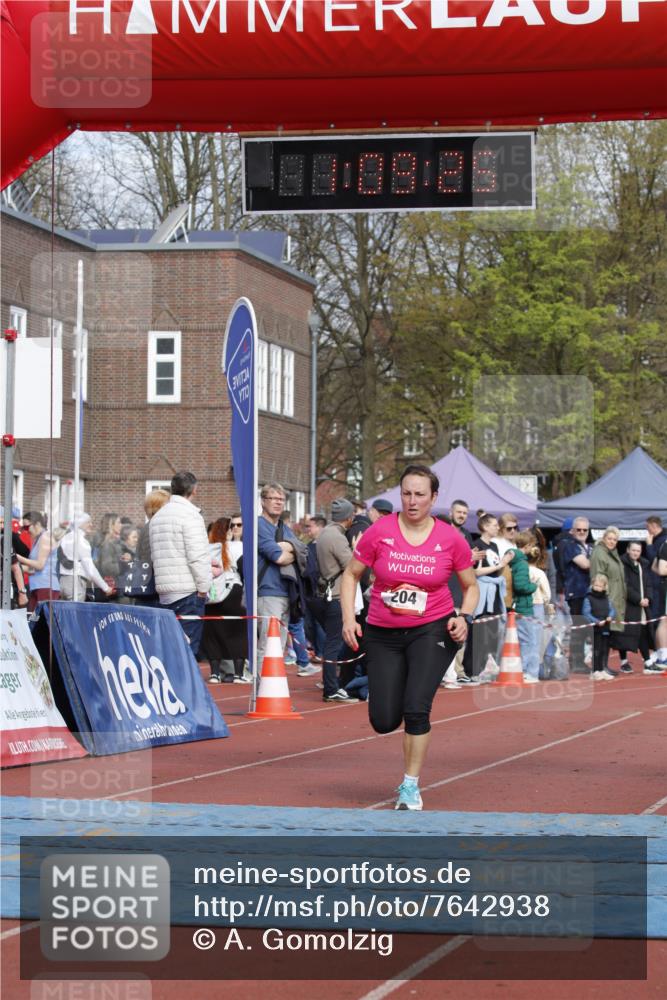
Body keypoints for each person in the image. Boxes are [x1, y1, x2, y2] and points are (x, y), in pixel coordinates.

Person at [340, 464, 478, 811]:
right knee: (383, 720)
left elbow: (470, 586)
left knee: (417, 707)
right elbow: (351, 575)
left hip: (432, 628)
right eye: (406, 493)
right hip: (383, 631)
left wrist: (465, 616)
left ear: (433, 498)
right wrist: (347, 619)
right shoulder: (379, 532)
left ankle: (410, 786)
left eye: (420, 494)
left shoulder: (450, 538)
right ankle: (399, 691)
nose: (412, 501)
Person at [150, 470, 212, 658]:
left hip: (165, 591)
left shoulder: (158, 517)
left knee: (169, 649)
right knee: (187, 651)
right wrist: (204, 588)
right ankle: (186, 687)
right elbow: (197, 556)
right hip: (187, 591)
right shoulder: (191, 516)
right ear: (194, 490)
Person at [310, 498, 358, 702]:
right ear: (348, 518)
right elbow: (352, 565)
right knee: (333, 644)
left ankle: (332, 685)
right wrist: (357, 550)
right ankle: (331, 688)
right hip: (336, 595)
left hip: (323, 593)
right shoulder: (337, 538)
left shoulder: (324, 534)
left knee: (332, 643)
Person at [461, 512, 512, 680]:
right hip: (482, 592)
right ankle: (471, 670)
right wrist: (501, 564)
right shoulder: (477, 545)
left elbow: (496, 567)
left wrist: (502, 564)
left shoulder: (495, 546)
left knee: (492, 632)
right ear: (484, 527)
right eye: (494, 524)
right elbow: (476, 571)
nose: (498, 527)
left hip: (495, 592)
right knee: (478, 632)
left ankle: (484, 666)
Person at [201, 517, 249, 684]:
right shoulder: (238, 547)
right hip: (233, 589)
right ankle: (238, 674)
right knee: (238, 632)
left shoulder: (205, 548)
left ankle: (215, 673)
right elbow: (244, 569)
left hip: (212, 592)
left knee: (212, 631)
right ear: (229, 531)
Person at [257, 482, 298, 667]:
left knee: (279, 647)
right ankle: (259, 693)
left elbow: (302, 552)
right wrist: (292, 551)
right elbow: (279, 557)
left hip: (286, 592)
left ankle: (273, 690)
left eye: (281, 499)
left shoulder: (285, 528)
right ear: (263, 501)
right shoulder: (259, 525)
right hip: (268, 592)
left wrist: (291, 550)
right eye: (273, 498)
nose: (278, 502)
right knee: (267, 646)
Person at [589, 526, 626, 675]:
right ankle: (599, 667)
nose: (612, 542)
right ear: (604, 538)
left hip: (614, 598)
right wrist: (604, 598)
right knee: (601, 636)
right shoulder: (600, 553)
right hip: (604, 599)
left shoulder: (612, 553)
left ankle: (603, 665)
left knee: (608, 635)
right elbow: (598, 577)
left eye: (615, 539)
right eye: (609, 538)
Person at [58, 513, 114, 601]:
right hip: (76, 583)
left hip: (62, 582)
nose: (91, 525)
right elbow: (90, 569)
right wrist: (106, 588)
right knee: (75, 613)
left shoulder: (65, 538)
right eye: (88, 522)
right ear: (80, 523)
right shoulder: (82, 542)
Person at [560, 517, 592, 672]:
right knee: (578, 627)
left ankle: (581, 660)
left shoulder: (589, 547)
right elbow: (585, 564)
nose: (581, 532)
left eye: (584, 530)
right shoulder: (570, 545)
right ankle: (576, 661)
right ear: (572, 530)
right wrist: (600, 562)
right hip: (576, 591)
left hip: (588, 592)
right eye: (578, 529)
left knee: (585, 628)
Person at [508, 531, 540, 683]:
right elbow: (521, 585)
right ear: (527, 546)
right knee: (528, 640)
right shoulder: (522, 563)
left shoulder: (515, 561)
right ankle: (526, 671)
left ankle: (523, 670)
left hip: (518, 605)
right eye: (532, 545)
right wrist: (533, 586)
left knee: (522, 639)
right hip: (523, 606)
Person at [618, 541, 653, 673]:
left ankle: (648, 661)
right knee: (623, 634)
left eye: (638, 551)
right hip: (628, 605)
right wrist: (638, 599)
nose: (635, 553)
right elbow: (625, 585)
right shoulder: (622, 564)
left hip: (643, 605)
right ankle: (623, 661)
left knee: (643, 631)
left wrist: (648, 598)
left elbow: (648, 583)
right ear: (628, 550)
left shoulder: (643, 565)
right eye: (633, 550)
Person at [16, 511, 60, 610]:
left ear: (37, 524)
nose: (26, 531)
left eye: (27, 527)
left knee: (42, 621)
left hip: (47, 587)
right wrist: (14, 566)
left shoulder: (45, 537)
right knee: (34, 621)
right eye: (24, 528)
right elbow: (32, 569)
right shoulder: (37, 539)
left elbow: (40, 565)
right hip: (37, 586)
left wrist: (19, 558)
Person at [134, 488, 170, 607]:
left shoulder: (150, 526)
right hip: (152, 590)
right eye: (167, 505)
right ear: (156, 508)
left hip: (151, 588)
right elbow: (149, 559)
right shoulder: (153, 527)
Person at [582, 574, 617, 680]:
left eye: (600, 586)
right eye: (595, 585)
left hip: (605, 628)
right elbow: (586, 613)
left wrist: (610, 617)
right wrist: (596, 621)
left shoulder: (606, 598)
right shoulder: (588, 598)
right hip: (595, 629)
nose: (597, 588)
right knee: (596, 649)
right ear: (592, 585)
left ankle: (601, 670)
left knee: (603, 649)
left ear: (604, 587)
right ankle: (595, 670)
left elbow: (612, 609)